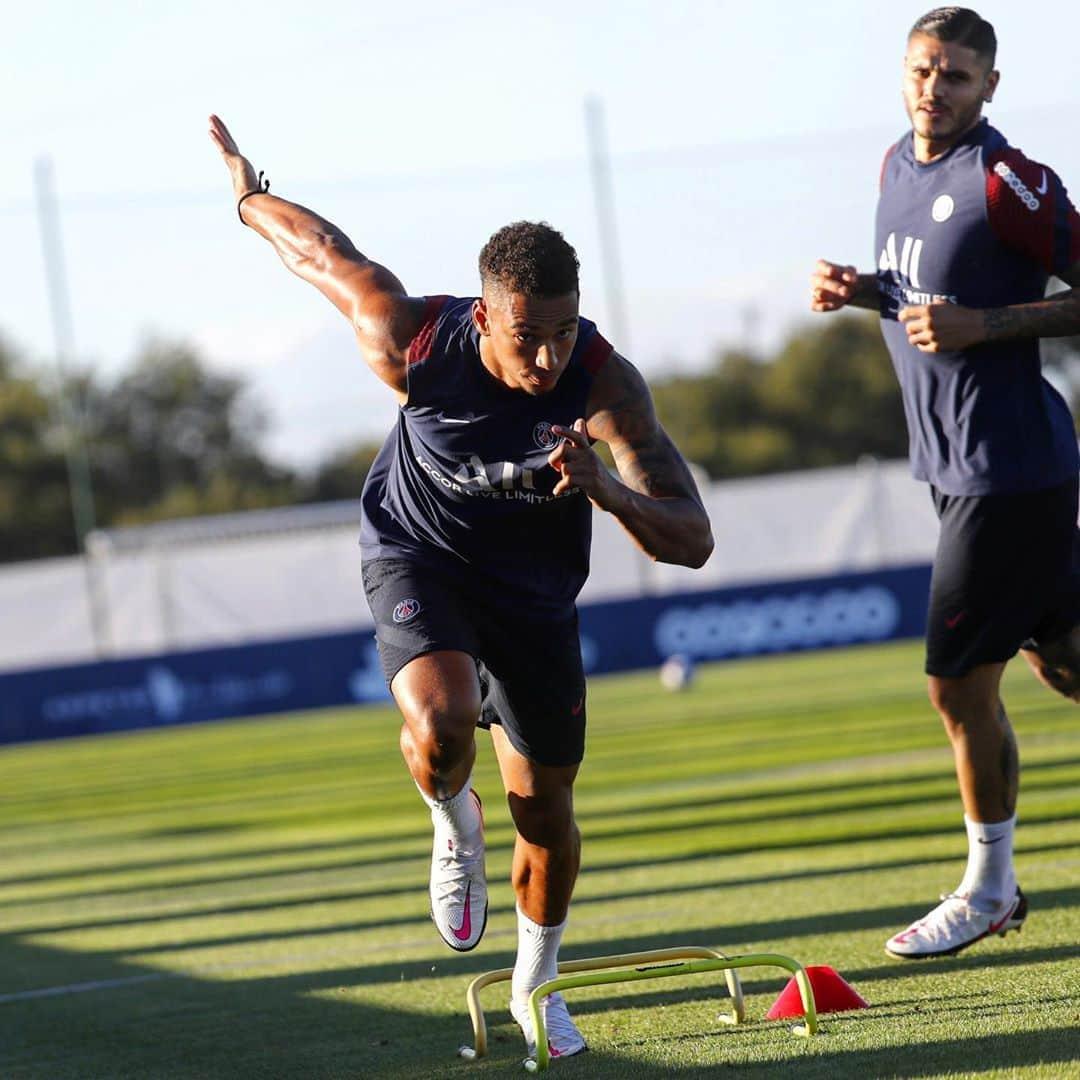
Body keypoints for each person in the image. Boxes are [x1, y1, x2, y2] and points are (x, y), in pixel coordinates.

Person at [209, 115, 713, 1057]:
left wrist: (602, 487)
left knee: (548, 812)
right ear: (485, 317)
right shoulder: (413, 342)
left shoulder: (606, 386)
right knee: (440, 731)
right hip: (418, 554)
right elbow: (321, 254)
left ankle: (536, 985)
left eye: (565, 333)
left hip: (532, 598)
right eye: (529, 336)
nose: (548, 358)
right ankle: (451, 823)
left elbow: (692, 541)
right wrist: (246, 198)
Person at [811, 7, 1080, 960]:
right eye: (925, 70)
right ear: (903, 73)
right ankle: (994, 881)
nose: (937, 87)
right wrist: (865, 295)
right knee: (1064, 661)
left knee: (957, 686)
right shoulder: (895, 164)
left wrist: (991, 326)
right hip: (957, 466)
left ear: (990, 89)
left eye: (957, 76)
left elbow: (991, 313)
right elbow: (926, 300)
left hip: (1007, 472)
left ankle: (989, 888)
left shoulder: (1008, 180)